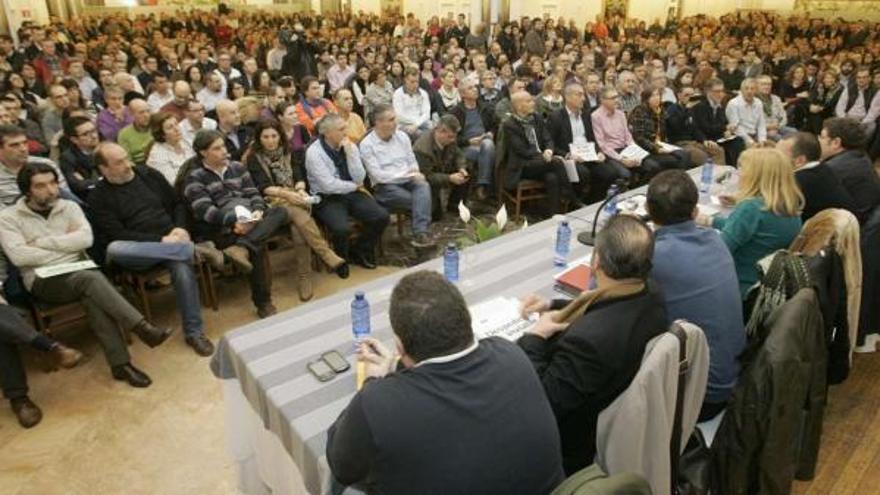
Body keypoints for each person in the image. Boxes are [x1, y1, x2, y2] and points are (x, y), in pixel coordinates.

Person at [327, 271, 565, 494]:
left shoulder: (377, 403)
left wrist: (373, 381)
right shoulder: (511, 353)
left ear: (399, 347)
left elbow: (341, 464)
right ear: (467, 322)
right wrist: (394, 368)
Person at [0, 162, 173, 387]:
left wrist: (42, 244)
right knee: (91, 279)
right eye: (41, 186)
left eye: (53, 183)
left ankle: (122, 366)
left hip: (80, 271)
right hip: (44, 280)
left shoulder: (69, 207)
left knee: (93, 296)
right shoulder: (8, 218)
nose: (51, 190)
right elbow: (20, 257)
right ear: (27, 190)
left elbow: (85, 240)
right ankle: (142, 328)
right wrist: (66, 246)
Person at [517, 215, 667, 474]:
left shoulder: (589, 342)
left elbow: (544, 399)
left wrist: (534, 338)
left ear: (595, 261)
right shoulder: (651, 293)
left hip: (572, 447)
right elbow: (604, 305)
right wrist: (552, 305)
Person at [87, 143, 214, 356]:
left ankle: (194, 333)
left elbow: (178, 204)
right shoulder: (99, 197)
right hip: (139, 250)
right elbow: (117, 233)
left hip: (172, 241)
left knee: (182, 271)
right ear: (103, 169)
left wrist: (180, 228)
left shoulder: (148, 175)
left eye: (127, 157)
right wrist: (162, 240)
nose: (128, 165)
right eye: (119, 162)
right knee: (115, 248)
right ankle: (192, 250)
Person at [646, 170, 746, 421]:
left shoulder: (656, 255)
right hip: (729, 377)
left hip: (698, 396)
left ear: (649, 209)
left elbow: (606, 293)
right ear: (694, 211)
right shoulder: (715, 240)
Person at [182, 130, 289, 319]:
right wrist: (235, 221)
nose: (224, 151)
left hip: (250, 219)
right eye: (217, 148)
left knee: (280, 212)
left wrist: (257, 211)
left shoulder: (237, 167)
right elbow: (205, 211)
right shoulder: (194, 177)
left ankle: (242, 248)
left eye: (224, 146)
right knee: (256, 245)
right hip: (223, 227)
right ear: (203, 153)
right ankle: (263, 302)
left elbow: (254, 194)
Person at [244, 119, 348, 301]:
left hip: (296, 198)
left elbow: (299, 175)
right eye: (265, 137)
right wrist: (287, 194)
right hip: (272, 205)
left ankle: (304, 277)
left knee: (298, 228)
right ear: (259, 138)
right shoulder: (254, 157)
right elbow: (263, 187)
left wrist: (299, 189)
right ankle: (325, 253)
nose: (270, 140)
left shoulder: (289, 151)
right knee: (294, 210)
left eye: (274, 136)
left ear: (280, 136)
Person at [698, 148, 803, 298]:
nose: (739, 174)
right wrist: (710, 220)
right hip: (765, 285)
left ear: (756, 176)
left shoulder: (751, 209)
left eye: (742, 169)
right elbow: (746, 229)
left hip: (738, 285)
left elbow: (719, 251)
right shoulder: (789, 206)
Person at [306, 113, 389, 269]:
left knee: (381, 217)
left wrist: (351, 154)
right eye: (341, 129)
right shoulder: (314, 153)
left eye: (345, 128)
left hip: (351, 192)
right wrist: (353, 186)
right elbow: (328, 185)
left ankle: (360, 250)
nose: (345, 132)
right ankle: (341, 258)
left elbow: (359, 177)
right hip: (327, 197)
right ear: (327, 133)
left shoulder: (349, 145)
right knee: (341, 228)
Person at [360, 105, 435, 248]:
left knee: (423, 185)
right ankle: (421, 233)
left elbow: (411, 160)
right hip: (385, 187)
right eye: (391, 120)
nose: (396, 123)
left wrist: (415, 172)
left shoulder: (401, 136)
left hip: (408, 180)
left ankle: (420, 233)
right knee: (421, 199)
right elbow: (379, 176)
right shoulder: (367, 145)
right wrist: (406, 175)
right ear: (378, 123)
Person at [503, 91, 582, 214]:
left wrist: (549, 150)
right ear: (519, 106)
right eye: (529, 101)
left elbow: (547, 138)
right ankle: (571, 197)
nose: (533, 103)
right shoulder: (510, 124)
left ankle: (554, 214)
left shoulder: (537, 118)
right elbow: (522, 150)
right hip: (524, 165)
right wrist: (543, 156)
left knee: (552, 177)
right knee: (557, 163)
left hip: (543, 163)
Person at [547, 81, 628, 203]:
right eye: (579, 95)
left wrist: (599, 151)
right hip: (571, 157)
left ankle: (592, 201)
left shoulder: (586, 115)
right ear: (567, 97)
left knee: (610, 173)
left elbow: (592, 138)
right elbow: (551, 144)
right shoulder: (556, 117)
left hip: (589, 154)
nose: (583, 99)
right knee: (583, 173)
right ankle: (575, 202)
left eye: (583, 95)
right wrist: (568, 155)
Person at [777, 132, 855, 221]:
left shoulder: (798, 183)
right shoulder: (822, 168)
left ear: (799, 161)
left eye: (778, 156)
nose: (773, 158)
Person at [818, 117, 880, 223]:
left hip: (850, 228)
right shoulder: (861, 157)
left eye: (822, 137)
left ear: (836, 142)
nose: (818, 140)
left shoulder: (831, 169)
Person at [591, 87, 661, 181]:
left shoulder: (620, 114)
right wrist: (621, 159)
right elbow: (602, 145)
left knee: (653, 166)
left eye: (617, 97)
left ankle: (639, 190)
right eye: (613, 98)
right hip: (611, 153)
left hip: (627, 149)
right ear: (602, 100)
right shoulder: (596, 116)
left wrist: (636, 152)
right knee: (625, 174)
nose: (617, 100)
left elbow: (628, 136)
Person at [413, 115, 471, 221]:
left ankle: (455, 205)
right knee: (436, 216)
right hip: (428, 179)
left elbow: (459, 155)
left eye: (454, 136)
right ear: (440, 132)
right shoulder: (422, 149)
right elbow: (427, 176)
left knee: (467, 171)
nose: (453, 140)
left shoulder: (450, 140)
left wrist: (462, 168)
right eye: (450, 137)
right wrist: (449, 178)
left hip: (444, 167)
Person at [447, 78, 497, 200]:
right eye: (470, 88)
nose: (475, 89)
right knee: (487, 150)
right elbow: (451, 138)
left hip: (485, 144)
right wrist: (469, 141)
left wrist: (491, 133)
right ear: (462, 94)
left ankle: (481, 184)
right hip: (466, 147)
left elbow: (495, 125)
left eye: (475, 87)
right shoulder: (456, 112)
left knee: (487, 144)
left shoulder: (485, 108)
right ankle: (483, 186)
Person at [628, 88, 691, 174]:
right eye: (653, 96)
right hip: (646, 148)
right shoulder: (639, 111)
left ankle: (678, 180)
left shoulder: (660, 110)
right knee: (675, 159)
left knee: (685, 154)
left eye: (658, 95)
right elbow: (639, 137)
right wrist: (656, 148)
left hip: (661, 144)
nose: (656, 98)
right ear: (646, 99)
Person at [665, 85, 726, 165]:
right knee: (703, 156)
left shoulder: (692, 109)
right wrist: (686, 110)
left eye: (692, 95)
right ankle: (710, 174)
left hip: (693, 141)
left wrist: (704, 140)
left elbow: (695, 129)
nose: (689, 98)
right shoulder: (672, 109)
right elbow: (676, 127)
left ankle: (720, 173)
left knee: (718, 150)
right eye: (686, 95)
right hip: (679, 142)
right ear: (679, 96)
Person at [691, 78, 746, 165]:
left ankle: (738, 169)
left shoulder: (719, 106)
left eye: (722, 91)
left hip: (718, 137)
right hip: (707, 138)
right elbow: (706, 128)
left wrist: (727, 131)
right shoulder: (700, 107)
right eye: (717, 91)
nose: (721, 94)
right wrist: (724, 128)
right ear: (708, 92)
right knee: (732, 145)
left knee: (738, 141)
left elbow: (723, 123)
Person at [146, 112, 195, 185]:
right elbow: (174, 183)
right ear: (162, 134)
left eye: (176, 124)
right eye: (170, 127)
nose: (177, 129)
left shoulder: (185, 141)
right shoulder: (157, 156)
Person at [58, 116, 100, 200]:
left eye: (94, 130)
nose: (94, 136)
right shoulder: (68, 158)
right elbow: (78, 185)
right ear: (74, 140)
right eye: (85, 134)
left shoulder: (107, 147)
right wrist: (105, 179)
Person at [835, 66, 880, 136]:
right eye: (858, 77)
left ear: (870, 78)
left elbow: (873, 113)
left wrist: (861, 124)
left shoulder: (876, 92)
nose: (861, 80)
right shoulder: (849, 88)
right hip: (847, 118)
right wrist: (844, 119)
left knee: (871, 126)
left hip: (863, 120)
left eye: (864, 77)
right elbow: (840, 107)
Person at [725, 78, 768, 147]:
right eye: (746, 88)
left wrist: (762, 140)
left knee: (771, 149)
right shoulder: (733, 104)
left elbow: (761, 124)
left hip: (755, 135)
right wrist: (751, 142)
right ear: (741, 90)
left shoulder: (758, 103)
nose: (749, 91)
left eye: (752, 89)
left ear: (756, 91)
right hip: (740, 137)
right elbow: (736, 128)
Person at [392, 67, 433, 140]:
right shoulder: (398, 94)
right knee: (419, 134)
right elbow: (399, 116)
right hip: (404, 124)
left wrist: (416, 124)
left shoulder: (423, 93)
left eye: (417, 81)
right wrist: (415, 123)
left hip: (420, 123)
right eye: (412, 82)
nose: (415, 85)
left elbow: (426, 113)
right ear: (405, 80)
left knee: (435, 130)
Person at [117, 98, 153, 166]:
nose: (146, 115)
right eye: (141, 112)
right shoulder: (124, 134)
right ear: (131, 114)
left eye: (148, 111)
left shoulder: (157, 126)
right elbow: (127, 160)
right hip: (139, 166)